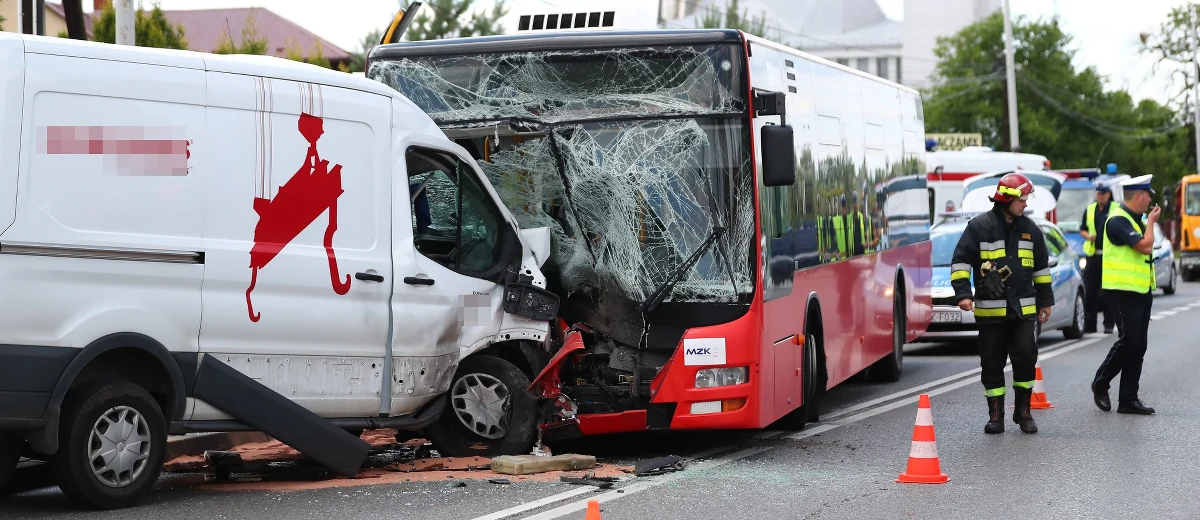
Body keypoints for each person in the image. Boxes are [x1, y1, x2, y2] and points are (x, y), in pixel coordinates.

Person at [950, 172, 1054, 434]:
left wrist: (1045, 302)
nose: (1026, 204)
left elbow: (1041, 270)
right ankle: (996, 416)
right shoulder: (979, 227)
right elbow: (961, 262)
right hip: (990, 312)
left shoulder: (1031, 231)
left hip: (1023, 312)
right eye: (1022, 199)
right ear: (1005, 199)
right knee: (992, 363)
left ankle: (1023, 412)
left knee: (1026, 358)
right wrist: (963, 293)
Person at [1091, 174, 1159, 415]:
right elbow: (1145, 246)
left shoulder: (1133, 219)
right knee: (1129, 341)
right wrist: (1151, 222)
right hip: (1122, 291)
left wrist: (1146, 222)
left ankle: (1128, 399)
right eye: (1148, 194)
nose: (1150, 198)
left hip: (1140, 290)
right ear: (1138, 196)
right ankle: (1101, 382)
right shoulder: (1118, 220)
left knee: (1138, 345)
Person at [1079, 183, 1118, 334]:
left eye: (1103, 193)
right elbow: (1082, 229)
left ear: (1109, 194)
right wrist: (1088, 236)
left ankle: (1109, 323)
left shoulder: (1116, 208)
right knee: (1090, 291)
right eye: (1098, 194)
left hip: (1109, 257)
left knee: (1108, 292)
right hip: (1093, 256)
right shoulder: (1090, 209)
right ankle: (1090, 325)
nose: (1100, 196)